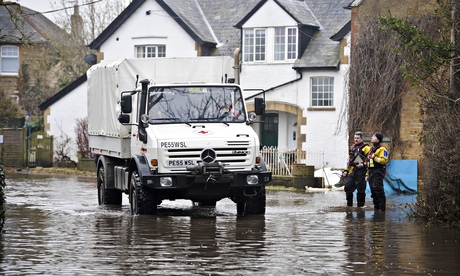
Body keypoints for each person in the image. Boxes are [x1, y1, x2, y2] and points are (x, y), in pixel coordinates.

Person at [342, 131, 370, 207]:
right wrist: (346, 170)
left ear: (362, 139)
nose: (356, 140)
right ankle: (349, 205)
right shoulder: (353, 148)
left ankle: (360, 207)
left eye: (358, 138)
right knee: (348, 188)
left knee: (361, 190)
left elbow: (369, 160)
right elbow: (349, 161)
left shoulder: (366, 148)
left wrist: (363, 165)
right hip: (352, 171)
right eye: (355, 138)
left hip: (361, 172)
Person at [366, 132, 389, 211]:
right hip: (371, 171)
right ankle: (376, 209)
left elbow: (383, 161)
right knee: (373, 190)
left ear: (378, 139)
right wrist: (367, 174)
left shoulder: (382, 149)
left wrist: (374, 157)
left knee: (378, 189)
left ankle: (382, 210)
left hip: (378, 170)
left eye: (374, 136)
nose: (372, 137)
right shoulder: (371, 149)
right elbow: (368, 162)